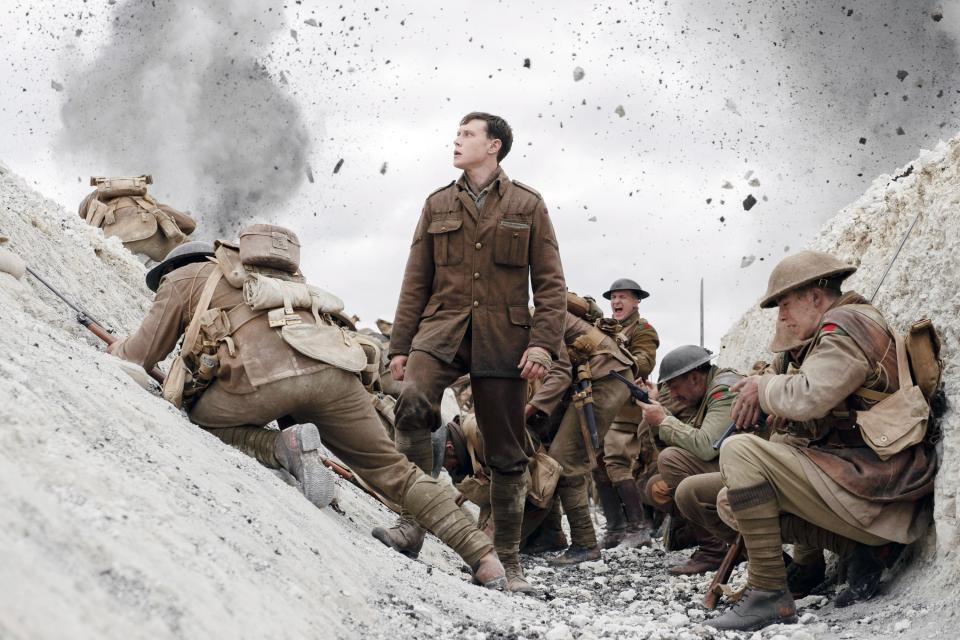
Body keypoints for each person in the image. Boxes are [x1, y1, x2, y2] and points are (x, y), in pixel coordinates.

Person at [110, 227, 506, 590]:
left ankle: (282, 446)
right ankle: (483, 558)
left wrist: (116, 347)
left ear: (176, 265)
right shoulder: (280, 282)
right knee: (396, 472)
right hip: (333, 374)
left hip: (263, 379)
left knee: (201, 418)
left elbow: (139, 356)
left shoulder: (182, 278)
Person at [379, 112, 566, 593]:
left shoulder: (528, 204)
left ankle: (507, 559)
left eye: (468, 134)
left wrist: (543, 345)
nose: (457, 141)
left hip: (503, 337)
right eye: (457, 134)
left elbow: (549, 285)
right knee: (413, 402)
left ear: (495, 146)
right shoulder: (438, 202)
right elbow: (414, 279)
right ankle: (412, 524)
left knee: (506, 450)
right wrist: (400, 346)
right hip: (441, 329)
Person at [708, 250, 937, 631]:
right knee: (731, 500)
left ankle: (768, 593)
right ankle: (864, 549)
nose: (781, 316)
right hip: (873, 486)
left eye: (785, 304)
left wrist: (765, 388)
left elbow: (810, 394)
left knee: (739, 451)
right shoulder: (836, 329)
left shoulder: (844, 326)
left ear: (815, 296)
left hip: (886, 490)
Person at [526, 310, 638, 563]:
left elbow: (561, 372)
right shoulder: (521, 318)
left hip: (605, 377)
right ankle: (550, 535)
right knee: (545, 446)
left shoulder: (537, 319)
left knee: (564, 460)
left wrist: (526, 410)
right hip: (590, 376)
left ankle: (585, 544)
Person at [636, 345, 742, 574]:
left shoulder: (723, 391)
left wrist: (664, 420)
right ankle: (709, 540)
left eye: (674, 387)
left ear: (695, 377)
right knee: (657, 487)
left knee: (670, 460)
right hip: (732, 466)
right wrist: (659, 415)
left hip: (748, 472)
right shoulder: (703, 393)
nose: (672, 394)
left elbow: (706, 447)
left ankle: (715, 549)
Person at [595, 279, 660, 548]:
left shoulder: (643, 330)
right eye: (613, 298)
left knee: (617, 461)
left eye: (623, 297)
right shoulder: (604, 329)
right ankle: (615, 528)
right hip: (600, 405)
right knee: (597, 464)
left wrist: (613, 350)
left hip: (625, 407)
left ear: (636, 301)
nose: (616, 302)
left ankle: (637, 528)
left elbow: (644, 363)